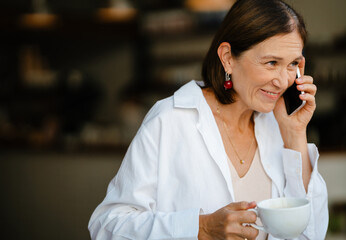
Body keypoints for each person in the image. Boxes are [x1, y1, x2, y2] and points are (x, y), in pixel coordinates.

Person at [88, 0, 328, 239]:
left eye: (293, 64)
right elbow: (107, 226)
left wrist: (295, 133)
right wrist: (200, 228)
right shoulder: (170, 120)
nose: (282, 81)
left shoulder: (279, 125)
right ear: (227, 58)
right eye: (272, 63)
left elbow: (312, 233)